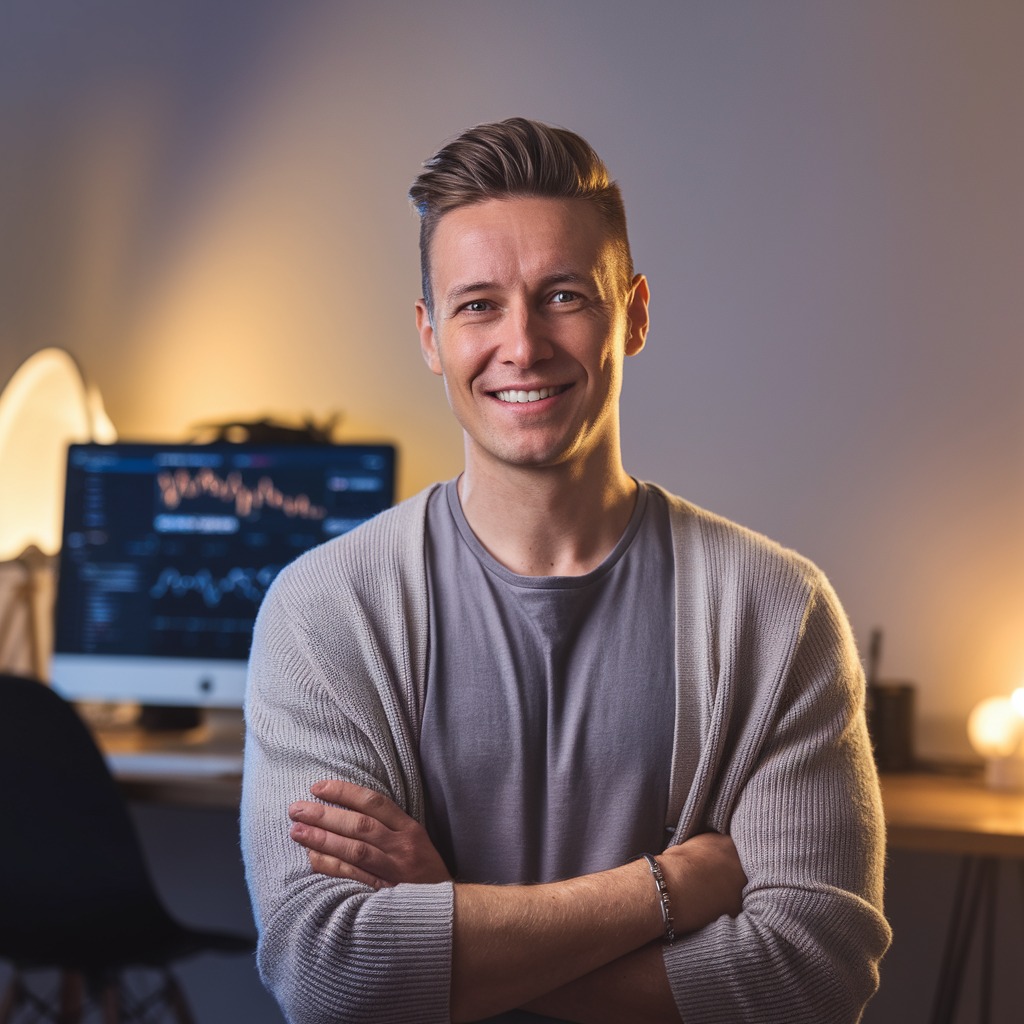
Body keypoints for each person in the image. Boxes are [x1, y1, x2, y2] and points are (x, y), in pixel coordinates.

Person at [240, 117, 891, 1024]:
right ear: (431, 336)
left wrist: (449, 925)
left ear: (635, 315)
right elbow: (330, 975)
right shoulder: (326, 611)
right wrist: (667, 888)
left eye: (563, 296)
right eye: (478, 305)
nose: (523, 345)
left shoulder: (774, 613)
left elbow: (813, 975)